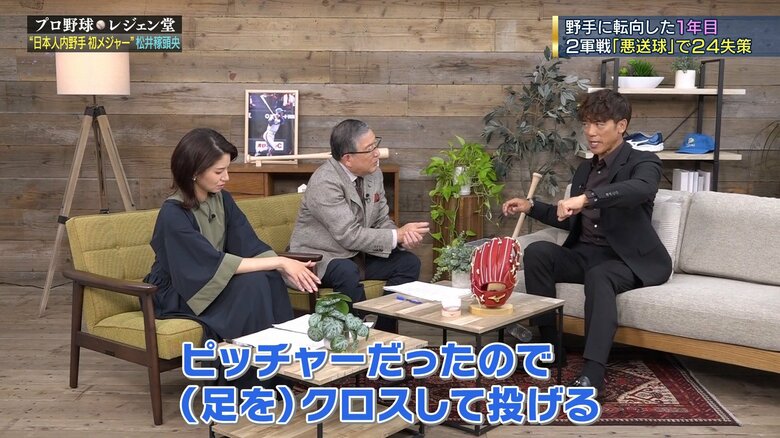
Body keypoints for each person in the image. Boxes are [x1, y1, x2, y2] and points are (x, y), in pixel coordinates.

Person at [502, 89, 672, 393]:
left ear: (621, 126)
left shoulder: (643, 162)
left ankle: (593, 373)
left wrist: (587, 198)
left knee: (600, 275)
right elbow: (568, 217)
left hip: (628, 260)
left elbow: (640, 190)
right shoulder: (585, 168)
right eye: (587, 124)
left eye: (600, 124)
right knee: (538, 252)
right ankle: (550, 349)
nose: (590, 132)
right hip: (586, 254)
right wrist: (531, 206)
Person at [144, 128, 320, 343]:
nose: (226, 177)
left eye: (227, 169)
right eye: (219, 171)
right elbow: (206, 264)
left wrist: (285, 269)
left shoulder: (222, 199)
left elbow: (247, 244)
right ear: (194, 171)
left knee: (270, 277)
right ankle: (249, 359)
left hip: (212, 278)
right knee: (253, 284)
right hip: (180, 289)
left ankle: (284, 353)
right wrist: (281, 262)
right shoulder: (173, 213)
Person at [289, 119, 430, 332]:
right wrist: (397, 236)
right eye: (370, 149)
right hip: (322, 257)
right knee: (347, 270)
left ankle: (383, 332)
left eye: (376, 144)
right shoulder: (325, 182)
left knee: (408, 263)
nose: (377, 153)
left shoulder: (374, 174)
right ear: (348, 158)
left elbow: (381, 220)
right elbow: (348, 235)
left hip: (357, 255)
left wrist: (400, 238)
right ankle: (355, 334)